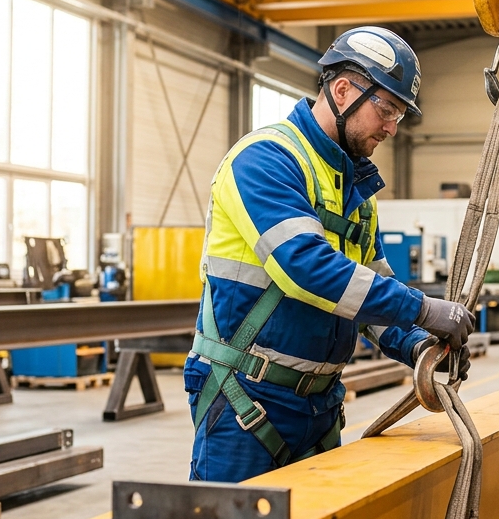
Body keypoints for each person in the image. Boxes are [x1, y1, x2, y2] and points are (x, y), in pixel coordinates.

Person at [184, 26, 476, 482]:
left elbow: (369, 298)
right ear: (342, 90)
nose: (392, 127)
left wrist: (420, 346)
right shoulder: (265, 160)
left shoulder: (356, 192)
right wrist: (423, 309)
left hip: (320, 406)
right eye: (387, 109)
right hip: (246, 396)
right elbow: (305, 268)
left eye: (399, 115)